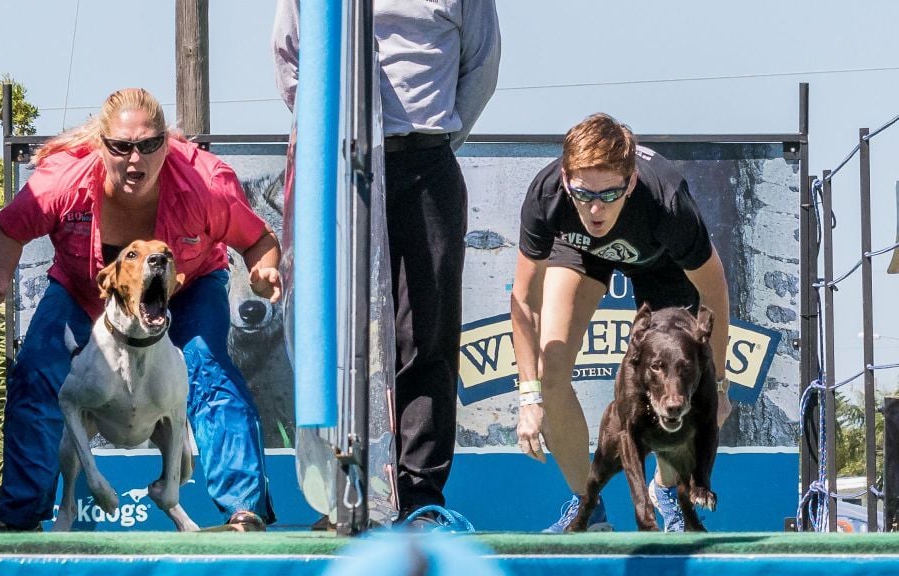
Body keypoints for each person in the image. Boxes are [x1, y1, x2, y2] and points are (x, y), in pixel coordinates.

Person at [0, 88, 280, 532]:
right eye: (121, 147)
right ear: (102, 144)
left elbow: (258, 240)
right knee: (37, 369)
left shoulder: (204, 187)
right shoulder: (63, 184)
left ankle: (244, 512)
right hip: (84, 288)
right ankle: (19, 518)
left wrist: (263, 272)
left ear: (166, 145)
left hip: (185, 287)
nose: (136, 161)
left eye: (150, 145)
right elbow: (7, 230)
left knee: (208, 370)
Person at [272, 0, 501, 528]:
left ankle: (420, 495)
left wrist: (435, 136)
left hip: (425, 163)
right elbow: (290, 57)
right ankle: (345, 493)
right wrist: (331, 131)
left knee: (425, 334)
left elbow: (480, 69)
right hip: (342, 164)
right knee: (337, 336)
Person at [510, 113, 733, 533]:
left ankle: (666, 489)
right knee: (549, 371)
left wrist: (718, 384)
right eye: (582, 194)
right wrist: (528, 398)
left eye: (609, 194)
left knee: (675, 386)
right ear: (565, 178)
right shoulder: (547, 197)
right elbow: (523, 299)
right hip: (579, 253)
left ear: (630, 183)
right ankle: (588, 507)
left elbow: (714, 292)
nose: (595, 209)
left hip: (661, 265)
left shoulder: (667, 204)